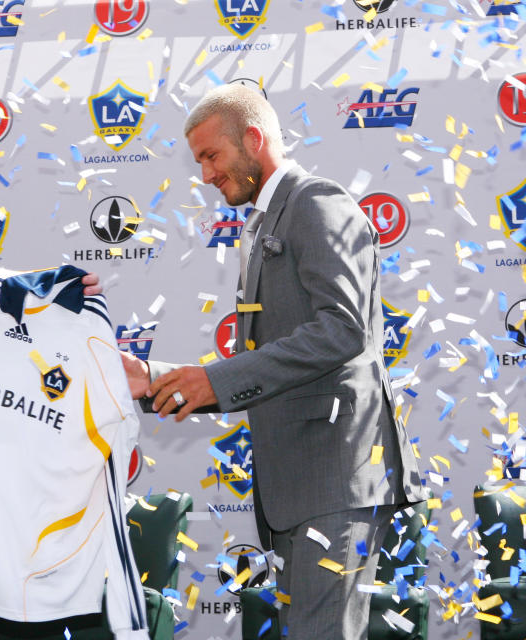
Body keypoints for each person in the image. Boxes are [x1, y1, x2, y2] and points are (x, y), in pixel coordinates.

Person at [121, 84, 426, 639]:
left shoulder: (315, 202)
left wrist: (212, 379)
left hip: (334, 483)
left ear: (254, 140)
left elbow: (344, 330)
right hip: (295, 492)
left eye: (212, 156)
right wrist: (157, 379)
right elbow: (266, 371)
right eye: (199, 162)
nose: (207, 174)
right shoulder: (263, 223)